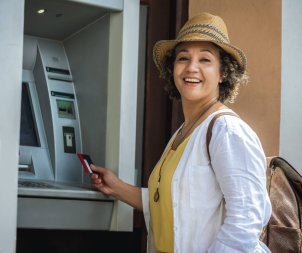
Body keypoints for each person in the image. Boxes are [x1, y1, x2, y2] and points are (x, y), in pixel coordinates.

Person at [90, 12, 272, 253]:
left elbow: (247, 217)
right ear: (172, 68)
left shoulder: (227, 131)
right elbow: (171, 202)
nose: (191, 68)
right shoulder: (184, 132)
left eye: (205, 60)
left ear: (223, 73)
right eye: (183, 58)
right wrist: (117, 188)